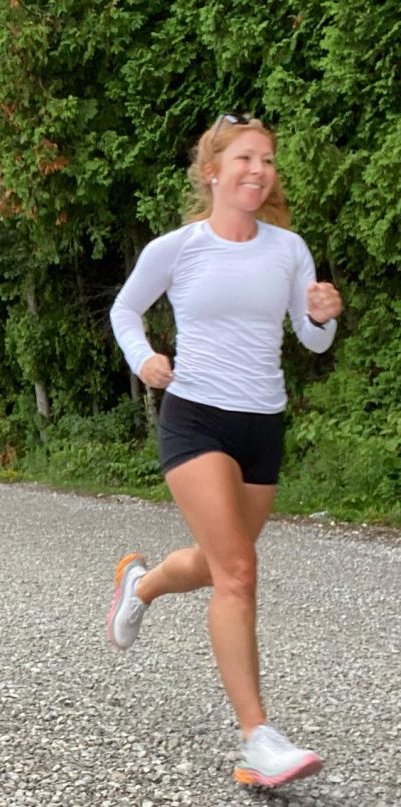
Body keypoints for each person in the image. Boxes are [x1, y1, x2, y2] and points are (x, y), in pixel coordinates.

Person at [105, 113, 343, 789]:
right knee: (240, 570)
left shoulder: (289, 249)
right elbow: (125, 310)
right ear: (212, 171)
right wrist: (145, 356)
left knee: (218, 564)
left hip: (262, 425)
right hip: (196, 420)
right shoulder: (177, 248)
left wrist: (323, 315)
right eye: (244, 158)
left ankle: (141, 583)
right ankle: (258, 738)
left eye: (267, 160)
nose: (258, 170)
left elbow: (312, 339)